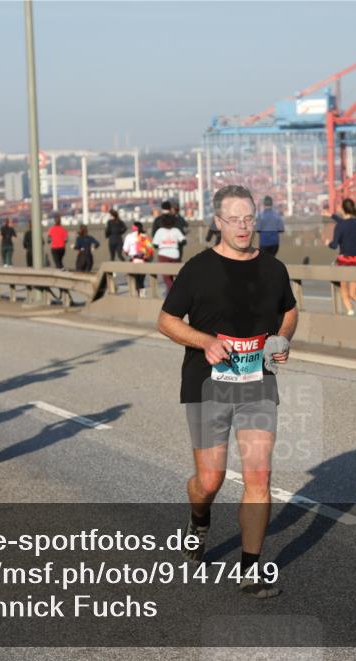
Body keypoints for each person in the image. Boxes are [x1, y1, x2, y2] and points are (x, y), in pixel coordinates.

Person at [157, 184, 297, 599]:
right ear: (218, 222)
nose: (242, 226)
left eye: (248, 218)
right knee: (210, 478)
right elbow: (166, 321)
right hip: (207, 382)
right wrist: (203, 341)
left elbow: (288, 311)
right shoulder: (198, 269)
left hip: (257, 383)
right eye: (233, 219)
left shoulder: (273, 269)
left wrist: (282, 339)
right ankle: (199, 519)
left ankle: (251, 569)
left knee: (259, 475)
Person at [327, 198, 356, 317]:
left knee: (344, 290)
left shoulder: (339, 226)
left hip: (344, 260)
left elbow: (334, 245)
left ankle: (350, 312)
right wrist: (332, 216)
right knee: (353, 293)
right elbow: (345, 222)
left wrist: (327, 242)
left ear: (342, 209)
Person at [152, 214, 187, 291]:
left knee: (167, 277)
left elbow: (155, 245)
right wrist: (174, 243)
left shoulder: (159, 231)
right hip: (175, 254)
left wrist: (164, 244)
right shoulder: (176, 230)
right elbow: (184, 241)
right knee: (176, 274)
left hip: (163, 254)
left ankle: (172, 293)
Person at [122, 221, 153, 296]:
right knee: (141, 280)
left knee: (135, 279)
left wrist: (127, 253)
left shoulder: (129, 236)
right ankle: (142, 294)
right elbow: (150, 248)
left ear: (133, 227)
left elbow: (125, 250)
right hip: (144, 260)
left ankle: (138, 295)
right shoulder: (144, 236)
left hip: (134, 260)